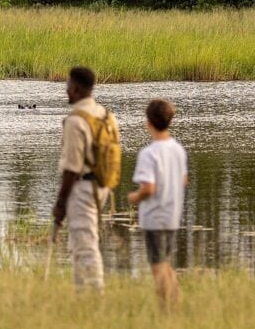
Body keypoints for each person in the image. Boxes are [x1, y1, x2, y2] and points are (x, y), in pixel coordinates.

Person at [52, 66, 118, 291]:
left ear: (78, 89)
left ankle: (94, 294)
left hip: (82, 188)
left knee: (85, 244)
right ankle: (81, 291)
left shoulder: (75, 121)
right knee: (83, 239)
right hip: (102, 185)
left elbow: (71, 168)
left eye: (68, 86)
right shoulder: (106, 114)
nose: (66, 91)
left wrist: (60, 203)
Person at [127, 99, 188, 310]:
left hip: (154, 217)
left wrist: (135, 197)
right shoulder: (178, 149)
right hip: (172, 215)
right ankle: (175, 305)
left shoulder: (148, 153)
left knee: (157, 267)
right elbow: (183, 180)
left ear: (148, 123)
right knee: (166, 264)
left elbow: (148, 189)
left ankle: (166, 310)